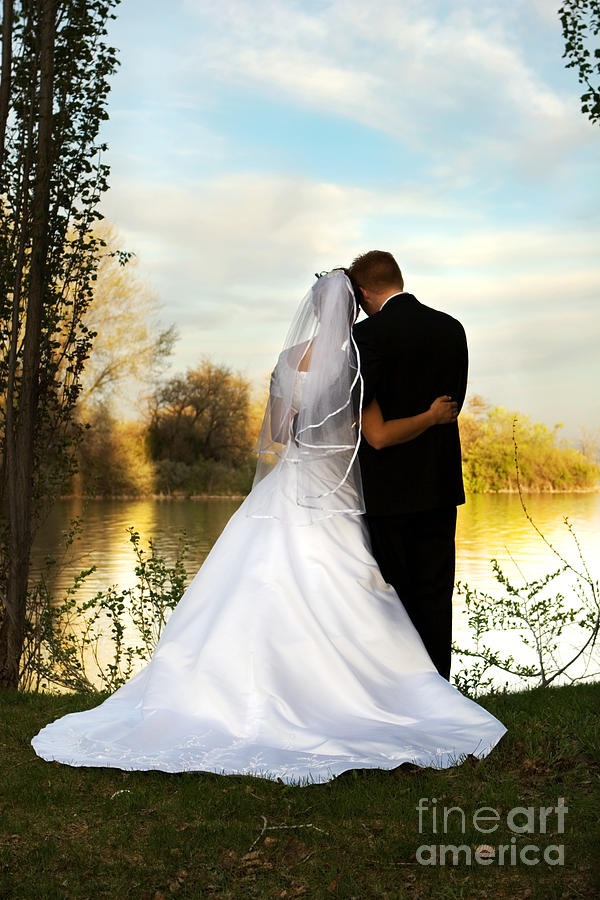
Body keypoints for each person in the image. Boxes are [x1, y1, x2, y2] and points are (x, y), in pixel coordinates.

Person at [30, 270, 505, 784]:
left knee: (258, 581)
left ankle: (241, 687)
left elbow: (277, 435)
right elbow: (373, 435)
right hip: (337, 489)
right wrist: (429, 419)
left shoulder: (287, 360)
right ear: (353, 308)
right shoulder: (355, 360)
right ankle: (377, 689)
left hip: (293, 479)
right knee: (350, 586)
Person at [350, 251, 467, 681]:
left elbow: (365, 422)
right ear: (399, 279)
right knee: (436, 594)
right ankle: (440, 689)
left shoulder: (366, 337)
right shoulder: (451, 328)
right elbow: (454, 405)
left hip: (387, 492)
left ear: (363, 294)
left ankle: (403, 692)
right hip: (438, 485)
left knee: (393, 597)